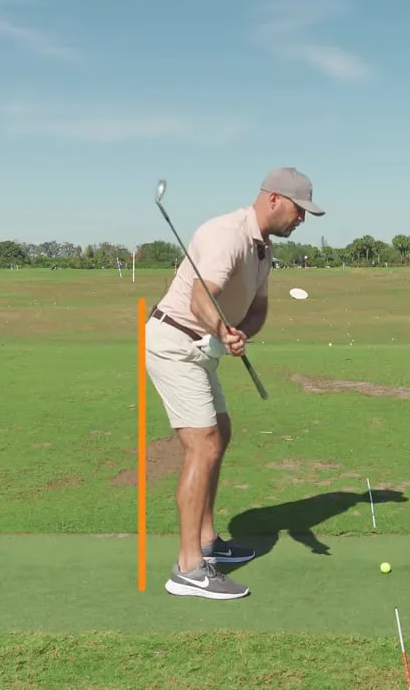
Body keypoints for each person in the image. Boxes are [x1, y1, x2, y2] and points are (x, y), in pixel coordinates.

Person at [144, 167, 325, 600]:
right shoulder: (228, 235)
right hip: (175, 341)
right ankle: (188, 569)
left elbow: (258, 310)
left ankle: (208, 544)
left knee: (220, 434)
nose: (302, 220)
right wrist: (222, 330)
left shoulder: (263, 250)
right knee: (202, 443)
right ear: (275, 200)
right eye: (300, 211)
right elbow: (201, 298)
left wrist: (240, 331)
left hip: (204, 348)